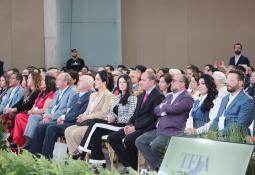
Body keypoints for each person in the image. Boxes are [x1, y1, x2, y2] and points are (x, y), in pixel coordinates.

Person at [107, 71, 164, 171]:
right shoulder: (141, 95)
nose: (140, 82)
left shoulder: (158, 96)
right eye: (140, 80)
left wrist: (135, 127)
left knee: (129, 140)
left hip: (147, 128)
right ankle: (130, 166)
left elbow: (152, 118)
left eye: (143, 80)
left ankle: (132, 168)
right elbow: (134, 114)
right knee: (112, 138)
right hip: (135, 126)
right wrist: (129, 125)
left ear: (152, 81)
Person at [135, 73, 193, 171]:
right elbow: (156, 110)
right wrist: (165, 109)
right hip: (160, 129)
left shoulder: (187, 97)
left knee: (155, 145)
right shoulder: (169, 96)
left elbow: (175, 109)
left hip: (172, 131)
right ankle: (159, 168)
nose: (171, 83)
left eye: (174, 81)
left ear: (182, 84)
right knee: (140, 141)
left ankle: (164, 169)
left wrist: (164, 107)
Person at [75, 74, 137, 164]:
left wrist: (116, 119)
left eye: (124, 82)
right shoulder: (117, 98)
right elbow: (111, 112)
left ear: (128, 84)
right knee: (97, 132)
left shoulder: (132, 98)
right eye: (120, 82)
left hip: (124, 126)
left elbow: (131, 117)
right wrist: (110, 117)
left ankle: (81, 150)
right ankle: (97, 162)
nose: (122, 84)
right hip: (114, 124)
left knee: (95, 122)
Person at [42, 75, 94, 159]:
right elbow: (69, 110)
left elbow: (79, 114)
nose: (78, 82)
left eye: (81, 81)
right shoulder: (76, 95)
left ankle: (47, 157)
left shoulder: (89, 96)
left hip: (76, 123)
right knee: (47, 126)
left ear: (88, 84)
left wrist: (64, 118)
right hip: (68, 121)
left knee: (51, 128)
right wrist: (63, 118)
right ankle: (45, 156)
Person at [64, 70, 114, 157]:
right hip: (87, 122)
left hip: (97, 125)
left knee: (75, 133)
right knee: (67, 130)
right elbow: (87, 110)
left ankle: (80, 158)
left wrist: (87, 117)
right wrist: (82, 116)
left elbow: (104, 113)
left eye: (98, 79)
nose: (95, 81)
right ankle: (76, 158)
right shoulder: (93, 95)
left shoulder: (109, 95)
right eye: (95, 79)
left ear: (104, 82)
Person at [30, 73, 75, 155]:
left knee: (43, 126)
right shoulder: (57, 92)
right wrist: (46, 115)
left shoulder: (71, 92)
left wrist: (51, 116)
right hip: (50, 117)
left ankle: (46, 156)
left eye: (58, 80)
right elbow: (49, 107)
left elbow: (67, 110)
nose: (55, 82)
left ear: (65, 82)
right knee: (39, 127)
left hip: (59, 119)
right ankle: (35, 154)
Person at [13, 75, 56, 148]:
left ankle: (28, 141)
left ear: (47, 83)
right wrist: (31, 111)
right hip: (34, 114)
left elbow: (44, 110)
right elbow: (33, 107)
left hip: (41, 115)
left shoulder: (51, 94)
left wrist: (32, 111)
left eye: (43, 81)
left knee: (33, 117)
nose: (41, 82)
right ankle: (17, 141)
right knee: (19, 116)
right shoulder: (41, 93)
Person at [210, 69, 255, 136]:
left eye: (231, 80)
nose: (227, 82)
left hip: (236, 139)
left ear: (240, 83)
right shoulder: (225, 98)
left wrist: (219, 134)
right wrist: (210, 132)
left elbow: (240, 125)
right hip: (219, 138)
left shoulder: (247, 100)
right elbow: (217, 119)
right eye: (227, 79)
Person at [8, 72, 41, 146]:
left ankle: (18, 141)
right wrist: (10, 108)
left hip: (29, 113)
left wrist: (14, 109)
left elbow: (28, 105)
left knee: (18, 116)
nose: (27, 80)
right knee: (11, 114)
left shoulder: (37, 92)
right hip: (25, 112)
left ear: (34, 80)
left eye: (29, 78)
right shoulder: (27, 91)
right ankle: (15, 141)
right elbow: (20, 103)